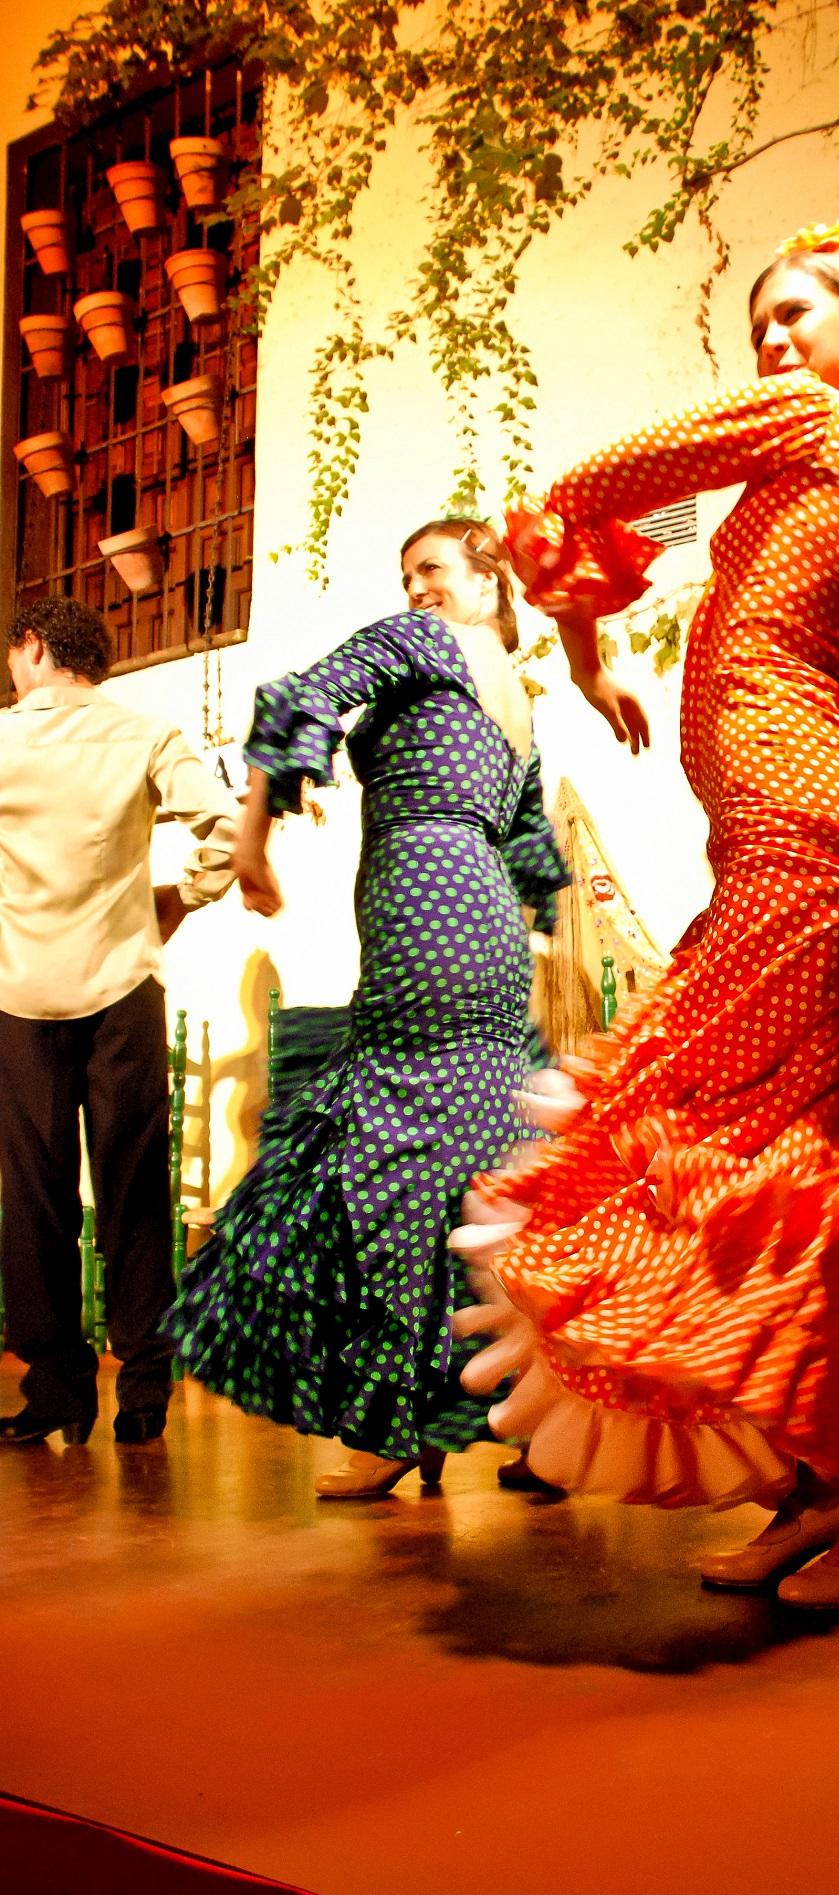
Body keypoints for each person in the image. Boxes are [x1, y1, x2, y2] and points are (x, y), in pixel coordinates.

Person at [452, 220, 839, 1611]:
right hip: (812, 838)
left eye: (796, 311)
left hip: (808, 840)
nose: (770, 338)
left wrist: (581, 649)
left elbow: (585, 483)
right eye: (756, 321)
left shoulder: (813, 420)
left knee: (726, 1141)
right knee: (805, 1179)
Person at [165, 520, 571, 1497]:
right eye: (405, 575)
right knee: (487, 1183)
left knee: (388, 1177)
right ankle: (540, 1425)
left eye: (431, 568)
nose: (414, 586)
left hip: (423, 916)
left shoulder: (422, 640)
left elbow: (300, 696)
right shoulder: (517, 692)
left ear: (486, 579)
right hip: (481, 940)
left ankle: (398, 1425)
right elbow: (528, 861)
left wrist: (253, 838)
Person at [0, 596, 239, 1447]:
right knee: (136, 1193)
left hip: (19, 998)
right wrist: (187, 894)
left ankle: (59, 1391)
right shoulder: (144, 734)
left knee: (33, 1202)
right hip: (122, 990)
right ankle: (143, 1391)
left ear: (30, 648)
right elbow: (227, 823)